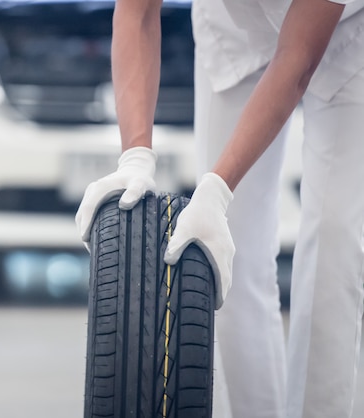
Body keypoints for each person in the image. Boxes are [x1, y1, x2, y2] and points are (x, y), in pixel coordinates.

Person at [75, 0, 364, 417]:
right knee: (225, 258)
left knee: (333, 253)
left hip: (348, 35)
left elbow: (297, 59)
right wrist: (135, 154)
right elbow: (136, 13)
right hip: (233, 26)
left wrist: (217, 189)